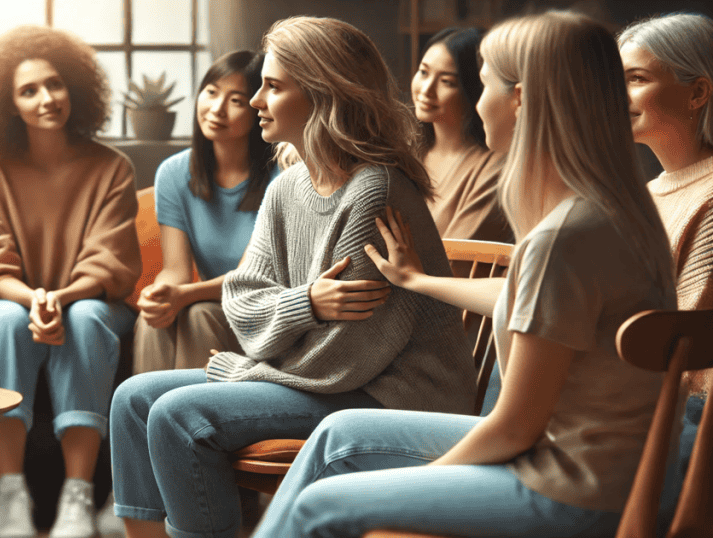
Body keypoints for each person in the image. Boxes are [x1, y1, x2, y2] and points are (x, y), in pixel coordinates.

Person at [250, 12, 678, 538]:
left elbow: (516, 428)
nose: (477, 104)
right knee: (338, 432)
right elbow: (530, 301)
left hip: (567, 488)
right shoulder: (610, 213)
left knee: (322, 505)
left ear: (520, 100)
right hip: (606, 470)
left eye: (482, 85)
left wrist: (413, 488)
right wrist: (420, 280)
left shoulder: (562, 240)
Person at [110, 16, 475, 538]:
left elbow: (347, 357)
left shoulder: (373, 191)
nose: (256, 100)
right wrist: (306, 304)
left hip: (389, 395)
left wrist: (246, 371)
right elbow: (241, 298)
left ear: (324, 95)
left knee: (176, 415)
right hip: (325, 380)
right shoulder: (289, 185)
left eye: (272, 87)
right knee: (132, 400)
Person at [0, 25, 141, 538]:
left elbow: (110, 262)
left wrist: (60, 298)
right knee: (3, 320)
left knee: (84, 318)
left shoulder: (111, 167)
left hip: (88, 301)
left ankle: (77, 498)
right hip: (7, 300)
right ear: (6, 102)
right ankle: (10, 496)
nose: (46, 99)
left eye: (55, 84)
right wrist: (34, 299)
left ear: (74, 89)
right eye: (28, 90)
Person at [133, 50, 285, 373]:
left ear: (258, 106)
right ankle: (144, 422)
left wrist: (185, 295)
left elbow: (249, 280)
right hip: (203, 301)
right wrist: (161, 293)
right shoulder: (173, 173)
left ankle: (195, 419)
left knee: (198, 312)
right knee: (153, 321)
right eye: (211, 92)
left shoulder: (280, 177)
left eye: (236, 100)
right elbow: (175, 268)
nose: (216, 109)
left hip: (260, 313)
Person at [618, 13, 713, 397]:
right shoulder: (647, 194)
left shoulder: (709, 199)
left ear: (697, 93)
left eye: (636, 79)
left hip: (681, 421)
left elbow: (679, 350)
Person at [412, 27, 510, 246]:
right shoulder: (406, 151)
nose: (426, 90)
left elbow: (456, 261)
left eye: (447, 81)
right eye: (424, 72)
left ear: (473, 89)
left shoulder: (495, 170)